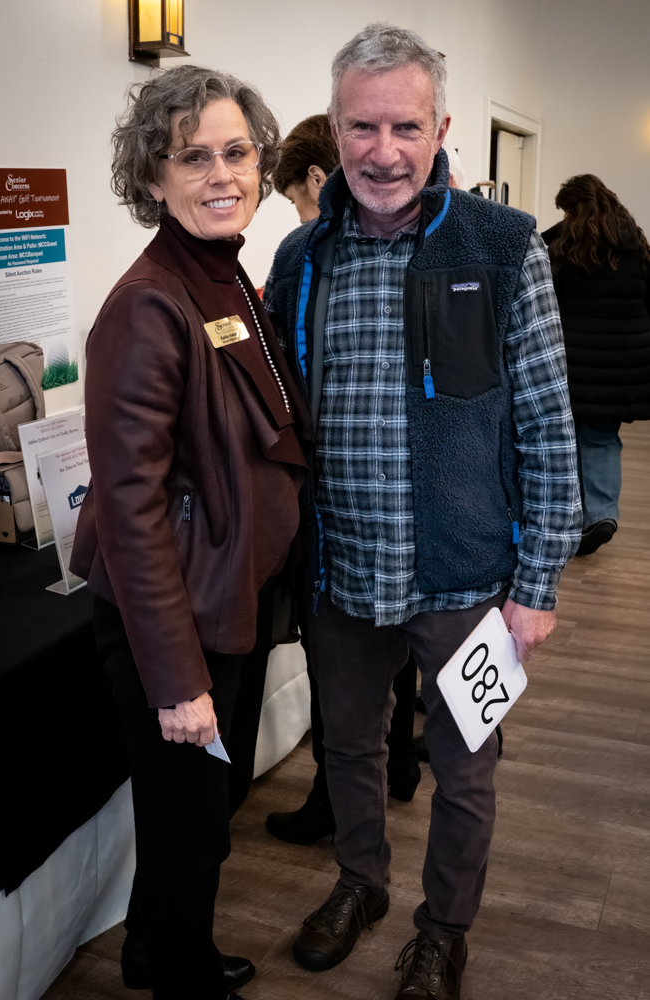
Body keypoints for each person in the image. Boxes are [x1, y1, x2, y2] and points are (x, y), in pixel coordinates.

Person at [264, 23, 581, 1000]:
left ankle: (443, 930)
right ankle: (360, 882)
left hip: (467, 578)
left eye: (406, 126)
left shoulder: (502, 245)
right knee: (347, 746)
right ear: (335, 129)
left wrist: (537, 584)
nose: (383, 150)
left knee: (466, 767)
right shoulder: (302, 256)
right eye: (362, 127)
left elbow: (546, 420)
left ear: (440, 129)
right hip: (341, 574)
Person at [71, 64, 310, 1000]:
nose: (223, 175)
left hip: (228, 598)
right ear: (151, 177)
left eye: (237, 152)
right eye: (192, 157)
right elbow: (129, 512)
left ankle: (150, 948)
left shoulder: (223, 270)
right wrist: (176, 681)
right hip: (177, 619)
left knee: (203, 812)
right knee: (189, 822)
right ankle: (177, 973)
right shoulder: (149, 302)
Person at [266, 113, 422, 847]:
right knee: (384, 646)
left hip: (346, 509)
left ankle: (343, 793)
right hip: (384, 516)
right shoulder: (310, 259)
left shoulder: (321, 260)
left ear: (315, 179)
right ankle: (395, 767)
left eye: (296, 200)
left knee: (351, 658)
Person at [542, 175, 650, 555]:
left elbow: (547, 298)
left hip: (575, 363)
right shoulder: (635, 244)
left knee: (569, 439)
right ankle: (601, 513)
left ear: (574, 208)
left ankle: (574, 516)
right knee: (602, 437)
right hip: (623, 366)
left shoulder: (566, 248)